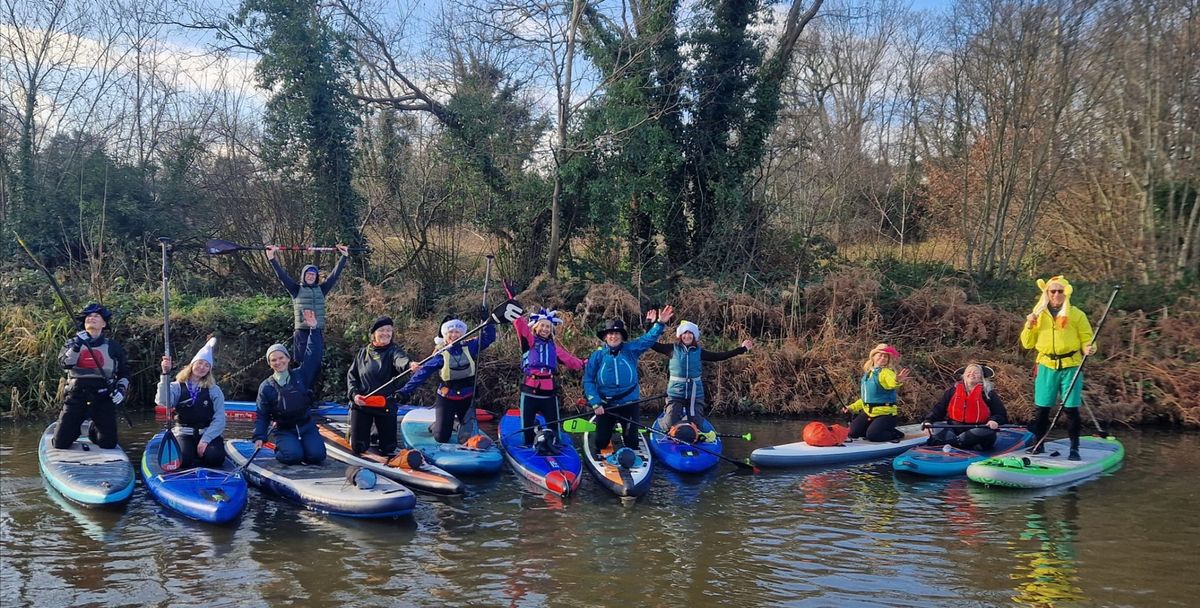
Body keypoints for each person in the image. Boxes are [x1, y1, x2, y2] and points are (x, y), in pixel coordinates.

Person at [582, 305, 674, 457]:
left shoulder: (631, 350)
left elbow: (648, 339)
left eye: (617, 334)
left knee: (632, 442)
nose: (614, 336)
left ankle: (628, 437)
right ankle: (606, 432)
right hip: (606, 406)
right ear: (605, 337)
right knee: (601, 443)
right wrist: (595, 402)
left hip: (629, 404)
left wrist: (660, 324)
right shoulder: (597, 356)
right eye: (611, 334)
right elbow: (589, 381)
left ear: (622, 337)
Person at [1020, 275, 1095, 460]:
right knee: (1042, 408)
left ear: (1066, 293)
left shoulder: (1076, 314)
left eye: (1059, 291)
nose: (1056, 294)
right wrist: (1029, 325)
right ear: (1046, 293)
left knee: (1071, 409)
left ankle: (1074, 448)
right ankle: (1038, 444)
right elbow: (1027, 343)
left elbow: (1087, 338)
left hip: (1071, 365)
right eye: (1052, 291)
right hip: (1046, 365)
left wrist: (1089, 347)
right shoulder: (1037, 315)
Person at [398, 316, 497, 444]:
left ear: (463, 334)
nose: (454, 335)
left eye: (457, 332)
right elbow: (422, 373)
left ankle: (457, 424)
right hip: (446, 398)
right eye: (450, 332)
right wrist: (404, 391)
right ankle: (437, 426)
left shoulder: (471, 346)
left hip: (467, 398)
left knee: (467, 438)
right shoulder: (440, 354)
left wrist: (488, 322)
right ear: (445, 336)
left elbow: (489, 338)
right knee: (441, 437)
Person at [649, 320, 752, 441]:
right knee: (669, 423)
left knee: (697, 424)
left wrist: (742, 349)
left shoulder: (699, 352)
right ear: (680, 335)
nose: (687, 336)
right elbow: (651, 343)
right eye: (684, 333)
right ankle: (664, 422)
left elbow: (719, 356)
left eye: (690, 333)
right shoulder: (671, 349)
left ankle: (691, 427)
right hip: (676, 393)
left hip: (695, 393)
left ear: (694, 336)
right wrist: (649, 324)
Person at [253, 310, 326, 465]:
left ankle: (305, 447)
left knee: (317, 456)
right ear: (269, 363)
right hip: (284, 430)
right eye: (274, 360)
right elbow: (262, 414)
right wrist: (259, 436)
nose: (278, 362)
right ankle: (282, 448)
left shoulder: (301, 375)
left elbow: (313, 355)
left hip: (306, 426)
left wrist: (314, 330)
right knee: (293, 457)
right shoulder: (266, 387)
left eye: (281, 358)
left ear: (288, 358)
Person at [52, 303, 130, 450]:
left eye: (96, 316)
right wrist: (76, 346)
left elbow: (124, 372)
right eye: (88, 317)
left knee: (108, 444)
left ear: (104, 323)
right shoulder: (72, 343)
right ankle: (73, 429)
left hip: (103, 397)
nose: (91, 318)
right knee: (60, 443)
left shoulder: (113, 346)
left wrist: (121, 389)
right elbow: (65, 364)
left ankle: (93, 429)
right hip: (76, 397)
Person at [266, 243, 349, 365]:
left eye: (313, 274)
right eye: (308, 274)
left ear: (316, 277)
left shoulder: (322, 289)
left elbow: (333, 276)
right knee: (302, 364)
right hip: (302, 332)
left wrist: (344, 257)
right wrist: (272, 258)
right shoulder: (295, 289)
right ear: (304, 276)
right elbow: (282, 276)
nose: (310, 276)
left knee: (316, 363)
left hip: (317, 331)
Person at [514, 308, 584, 452]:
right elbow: (520, 327)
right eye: (542, 326)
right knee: (526, 427)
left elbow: (570, 360)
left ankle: (554, 445)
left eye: (548, 326)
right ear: (536, 327)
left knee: (554, 426)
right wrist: (513, 305)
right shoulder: (530, 341)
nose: (545, 329)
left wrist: (584, 364)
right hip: (529, 391)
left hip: (548, 393)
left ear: (551, 329)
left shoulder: (554, 348)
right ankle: (529, 443)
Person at [156, 337, 227, 468]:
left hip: (207, 433)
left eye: (207, 365)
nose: (202, 367)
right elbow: (163, 402)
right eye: (200, 363)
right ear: (192, 364)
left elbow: (220, 419)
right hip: (184, 432)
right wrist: (165, 374)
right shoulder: (176, 386)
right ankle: (190, 452)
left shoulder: (214, 390)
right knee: (184, 460)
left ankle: (207, 451)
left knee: (215, 458)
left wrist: (205, 440)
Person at [346, 316, 412, 456]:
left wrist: (409, 365)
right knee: (359, 447)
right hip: (363, 404)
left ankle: (377, 437)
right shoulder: (363, 352)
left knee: (388, 448)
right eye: (381, 330)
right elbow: (352, 377)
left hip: (385, 405)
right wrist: (354, 395)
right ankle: (358, 434)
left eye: (389, 330)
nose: (385, 333)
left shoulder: (395, 350)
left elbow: (400, 360)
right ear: (373, 334)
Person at [922, 364, 1008, 451]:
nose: (972, 374)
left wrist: (994, 420)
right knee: (937, 425)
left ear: (981, 377)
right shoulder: (952, 391)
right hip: (954, 429)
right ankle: (962, 444)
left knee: (988, 433)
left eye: (976, 372)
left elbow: (1001, 414)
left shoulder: (988, 393)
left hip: (977, 430)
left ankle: (946, 443)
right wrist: (928, 421)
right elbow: (939, 409)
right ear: (964, 376)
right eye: (969, 372)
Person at [844, 343, 911, 442]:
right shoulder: (868, 374)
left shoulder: (887, 372)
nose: (882, 358)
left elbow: (891, 383)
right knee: (852, 433)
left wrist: (897, 380)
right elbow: (866, 399)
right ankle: (873, 430)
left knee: (873, 435)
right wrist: (851, 407)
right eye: (880, 355)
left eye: (885, 356)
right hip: (869, 413)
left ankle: (895, 434)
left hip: (886, 414)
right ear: (874, 357)